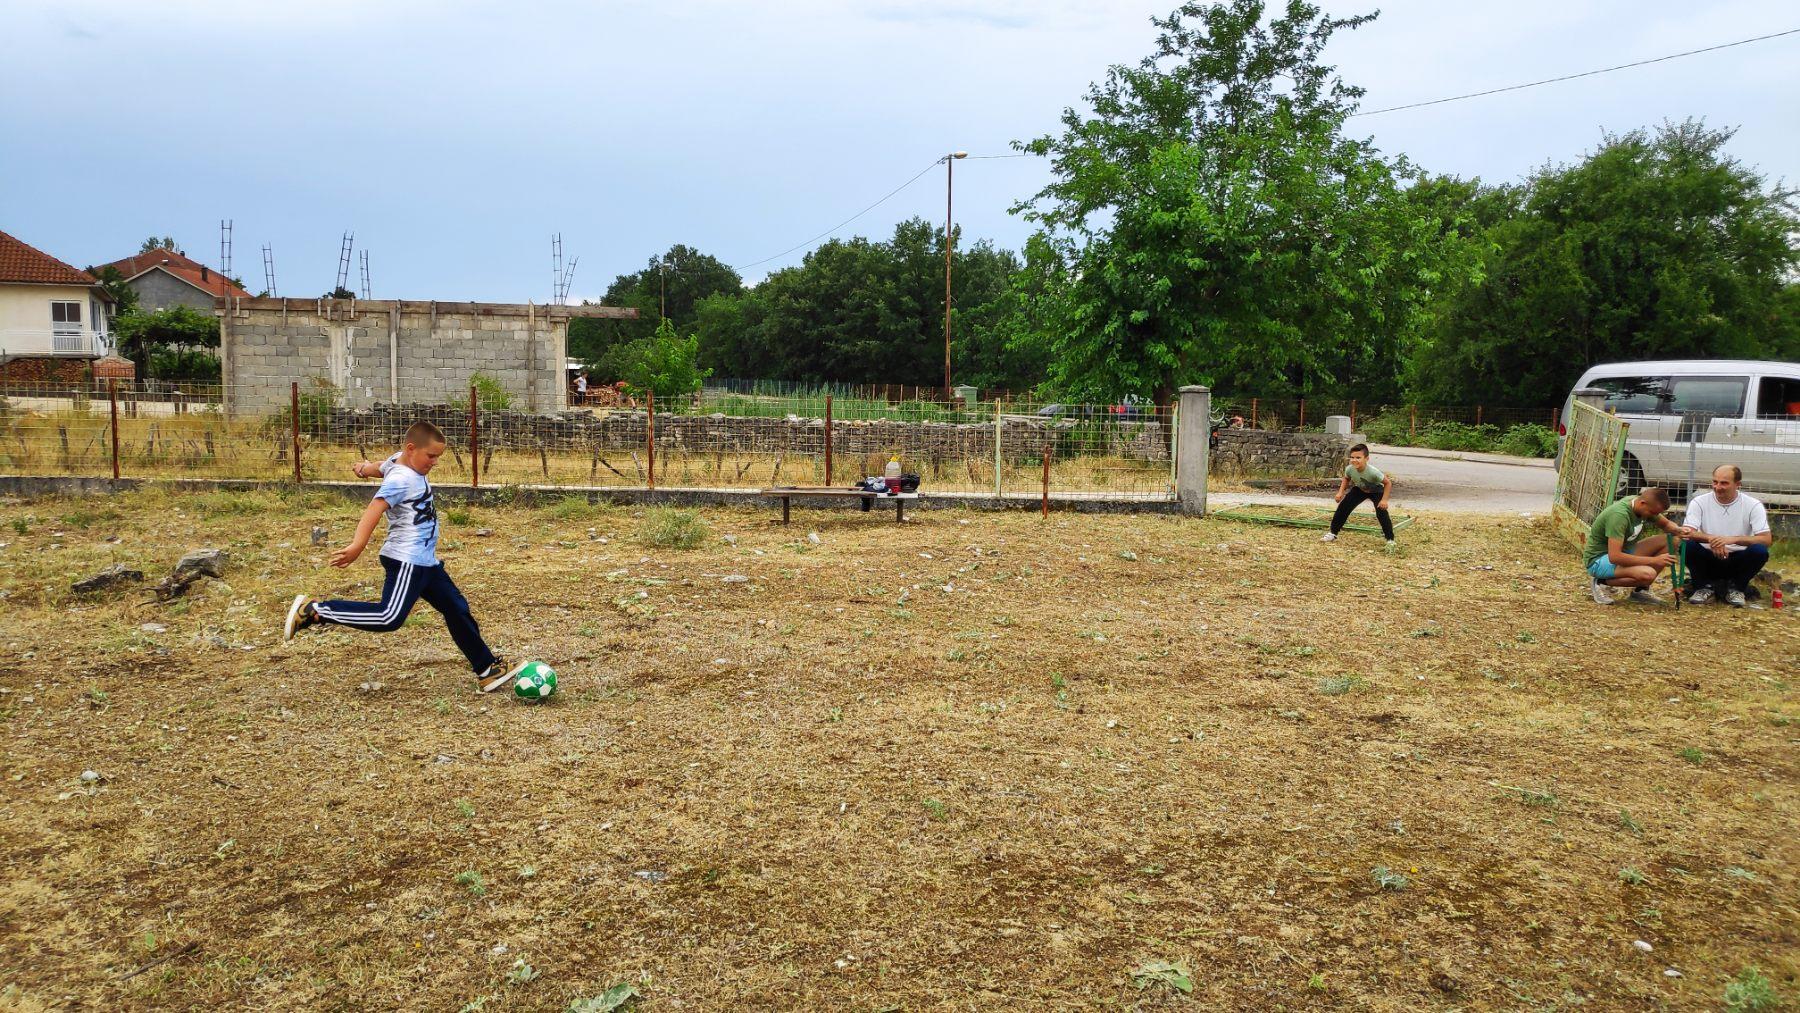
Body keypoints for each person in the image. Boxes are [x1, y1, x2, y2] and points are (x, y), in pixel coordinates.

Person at [284, 420, 526, 693]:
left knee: (457, 609)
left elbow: (381, 466)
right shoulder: (402, 479)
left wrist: (363, 469)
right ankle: (315, 611)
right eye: (431, 456)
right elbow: (375, 508)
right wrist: (357, 546)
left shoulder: (400, 461)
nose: (434, 462)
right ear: (412, 448)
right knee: (389, 617)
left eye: (438, 457)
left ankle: (487, 669)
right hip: (407, 560)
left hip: (426, 562)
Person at [1680, 464, 1773, 607]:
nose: (1718, 487)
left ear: (1738, 484)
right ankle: (1703, 588)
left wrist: (1732, 539)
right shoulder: (1699, 502)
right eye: (1715, 482)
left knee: (1759, 551)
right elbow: (1686, 532)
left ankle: (1737, 588)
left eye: (1724, 483)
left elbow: (1766, 539)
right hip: (1708, 556)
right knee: (1687, 545)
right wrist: (1713, 540)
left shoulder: (1753, 505)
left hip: (1737, 559)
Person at [1582, 486, 1690, 606]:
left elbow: (1666, 525)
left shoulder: (1642, 504)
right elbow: (1615, 557)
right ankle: (1600, 582)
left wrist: (1678, 530)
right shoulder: (1619, 516)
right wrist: (1654, 560)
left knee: (1671, 541)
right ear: (1642, 503)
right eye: (1654, 513)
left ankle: (1640, 591)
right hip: (1599, 559)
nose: (1655, 516)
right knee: (1648, 574)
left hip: (1624, 552)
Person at [1322, 443, 1395, 547]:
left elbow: (1388, 483)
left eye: (1358, 457)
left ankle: (1390, 539)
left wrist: (1384, 500)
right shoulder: (1350, 469)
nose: (1354, 460)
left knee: (1381, 512)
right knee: (1343, 508)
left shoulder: (1373, 472)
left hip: (1376, 490)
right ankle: (1333, 533)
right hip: (1360, 489)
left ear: (1366, 458)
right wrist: (1340, 492)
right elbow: (1346, 478)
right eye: (1352, 457)